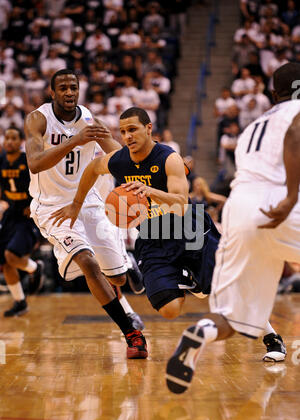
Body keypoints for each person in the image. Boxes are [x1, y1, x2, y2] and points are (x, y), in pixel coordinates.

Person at [49, 106, 284, 363]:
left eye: (133, 130)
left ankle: (272, 338)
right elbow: (93, 168)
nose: (127, 136)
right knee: (169, 309)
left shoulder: (168, 158)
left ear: (149, 128)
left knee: (230, 290)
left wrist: (149, 191)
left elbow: (181, 203)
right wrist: (76, 203)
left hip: (190, 230)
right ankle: (186, 277)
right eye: (123, 131)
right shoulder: (120, 160)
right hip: (153, 235)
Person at [165, 62, 300, 394]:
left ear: (272, 94)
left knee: (232, 316)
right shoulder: (297, 112)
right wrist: (291, 196)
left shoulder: (254, 126)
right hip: (280, 203)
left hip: (239, 210)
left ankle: (201, 333)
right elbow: (296, 136)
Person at [24, 69, 147, 359]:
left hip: (88, 201)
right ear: (52, 92)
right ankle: (132, 333)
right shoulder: (38, 119)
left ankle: (126, 262)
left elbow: (118, 153)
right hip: (52, 208)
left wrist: (139, 171)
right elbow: (35, 163)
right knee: (87, 262)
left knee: (116, 279)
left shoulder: (89, 118)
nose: (69, 92)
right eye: (63, 88)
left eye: (73, 88)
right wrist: (75, 141)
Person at [0, 127, 44, 317]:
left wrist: (34, 204)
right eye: (7, 138)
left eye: (13, 138)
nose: (9, 141)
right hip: (10, 214)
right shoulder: (1, 160)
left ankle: (35, 267)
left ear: (21, 142)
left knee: (11, 255)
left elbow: (42, 185)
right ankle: (20, 302)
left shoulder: (28, 161)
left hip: (28, 216)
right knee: (6, 263)